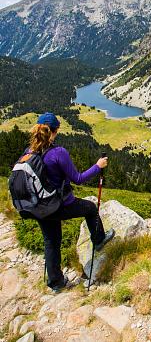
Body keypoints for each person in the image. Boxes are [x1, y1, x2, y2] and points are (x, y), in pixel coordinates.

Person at [28, 112, 114, 292]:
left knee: (51, 241)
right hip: (59, 205)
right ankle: (98, 239)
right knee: (90, 208)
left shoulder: (30, 153)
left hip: (38, 206)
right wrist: (98, 166)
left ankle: (55, 282)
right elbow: (78, 179)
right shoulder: (58, 153)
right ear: (55, 130)